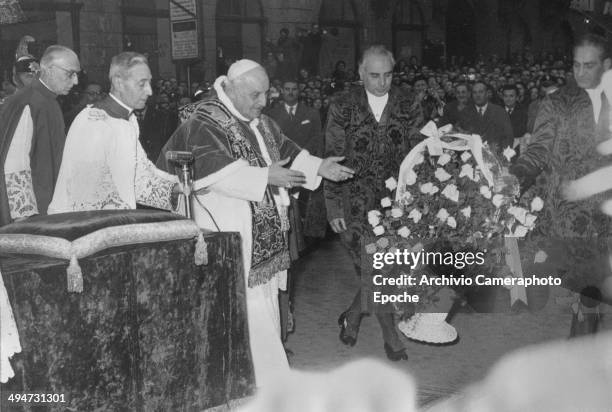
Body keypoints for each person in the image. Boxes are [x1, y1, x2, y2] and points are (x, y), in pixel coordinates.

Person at [157, 59, 354, 387]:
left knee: (264, 305)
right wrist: (265, 176)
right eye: (255, 95)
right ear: (231, 88)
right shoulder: (204, 120)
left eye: (266, 94)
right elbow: (212, 173)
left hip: (260, 232)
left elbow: (287, 150)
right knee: (246, 307)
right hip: (228, 228)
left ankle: (264, 377)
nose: (263, 103)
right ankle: (258, 381)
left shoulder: (258, 120)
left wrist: (319, 167)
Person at [324, 45, 424, 361]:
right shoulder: (342, 105)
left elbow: (418, 156)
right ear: (360, 73)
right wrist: (333, 207)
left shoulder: (409, 103)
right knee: (374, 267)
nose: (382, 83)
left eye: (388, 75)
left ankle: (354, 315)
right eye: (374, 75)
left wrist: (419, 201)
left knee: (385, 269)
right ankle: (389, 333)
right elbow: (332, 159)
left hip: (396, 203)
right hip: (354, 203)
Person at [510, 34, 612, 334]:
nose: (580, 72)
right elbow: (539, 149)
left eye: (589, 66)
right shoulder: (556, 103)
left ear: (606, 65)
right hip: (571, 215)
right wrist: (518, 173)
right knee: (586, 288)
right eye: (576, 65)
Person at [48, 52, 179, 213]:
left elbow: (140, 177)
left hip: (115, 222)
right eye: (141, 84)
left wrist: (180, 187)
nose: (150, 91)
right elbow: (87, 194)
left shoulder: (128, 120)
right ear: (118, 82)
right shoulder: (94, 122)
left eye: (149, 83)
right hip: (85, 225)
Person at [265, 78, 324, 345]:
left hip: (302, 176)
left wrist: (308, 165)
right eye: (285, 89)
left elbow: (314, 141)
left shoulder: (311, 114)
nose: (290, 92)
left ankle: (284, 321)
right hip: (276, 188)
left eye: (293, 89)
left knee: (290, 260)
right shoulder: (269, 117)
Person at [0, 45, 80, 226]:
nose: (75, 81)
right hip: (32, 213)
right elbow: (15, 162)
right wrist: (23, 215)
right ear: (50, 70)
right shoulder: (30, 101)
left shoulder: (46, 100)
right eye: (70, 73)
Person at [456, 80, 514, 152]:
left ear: (487, 93)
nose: (478, 95)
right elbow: (460, 135)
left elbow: (508, 137)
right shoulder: (465, 112)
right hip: (471, 155)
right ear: (471, 95)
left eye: (481, 92)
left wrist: (504, 156)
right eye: (475, 92)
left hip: (495, 155)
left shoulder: (500, 112)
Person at [501, 84, 528, 154]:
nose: (508, 99)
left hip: (517, 146)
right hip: (499, 146)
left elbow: (522, 130)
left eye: (511, 96)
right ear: (502, 97)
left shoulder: (524, 111)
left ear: (517, 97)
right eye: (505, 96)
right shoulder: (497, 110)